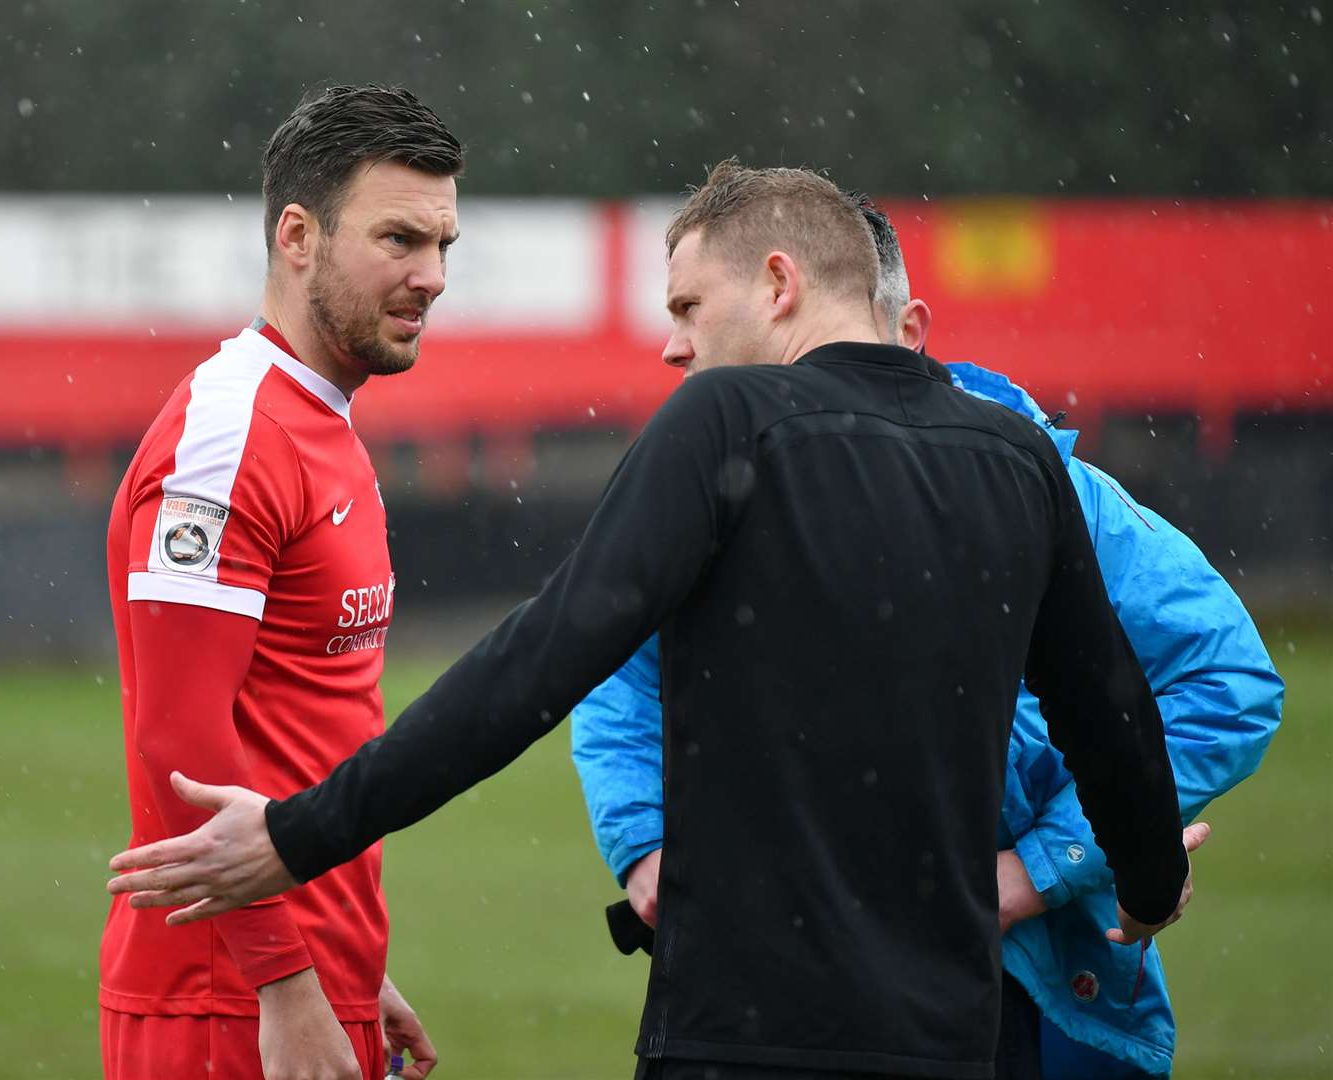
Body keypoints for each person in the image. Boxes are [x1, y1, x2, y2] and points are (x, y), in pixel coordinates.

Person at [106, 160, 1196, 1080]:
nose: (673, 349)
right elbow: (1109, 705)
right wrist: (1146, 877)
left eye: (686, 308)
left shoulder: (730, 422)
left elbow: (538, 663)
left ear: (778, 285)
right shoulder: (1014, 456)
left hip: (742, 1037)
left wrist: (298, 836)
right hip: (953, 1038)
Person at [570, 200, 1284, 1079]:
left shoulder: (1041, 481)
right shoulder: (707, 477)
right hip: (767, 987)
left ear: (906, 329)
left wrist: (1030, 873)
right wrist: (646, 849)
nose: (673, 348)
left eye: (690, 312)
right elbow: (617, 671)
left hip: (1020, 991)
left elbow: (1227, 679)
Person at [99, 84, 461, 1080]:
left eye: (443, 247)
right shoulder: (227, 435)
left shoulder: (322, 423)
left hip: (300, 978)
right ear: (296, 235)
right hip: (221, 1004)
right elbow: (180, 743)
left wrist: (351, 964)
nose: (430, 277)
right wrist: (285, 985)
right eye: (399, 239)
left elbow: (304, 725)